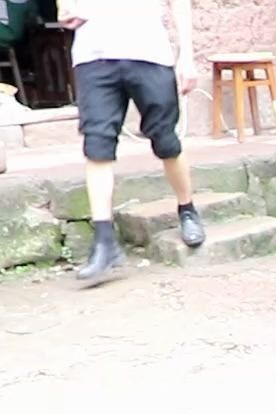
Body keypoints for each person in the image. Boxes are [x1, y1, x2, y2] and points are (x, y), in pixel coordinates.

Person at [60, 0, 204, 282]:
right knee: (96, 145)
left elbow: (180, 5)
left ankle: (187, 210)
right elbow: (65, 7)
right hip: (93, 57)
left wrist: (187, 56)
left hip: (149, 54)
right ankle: (104, 240)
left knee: (165, 141)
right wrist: (66, 13)